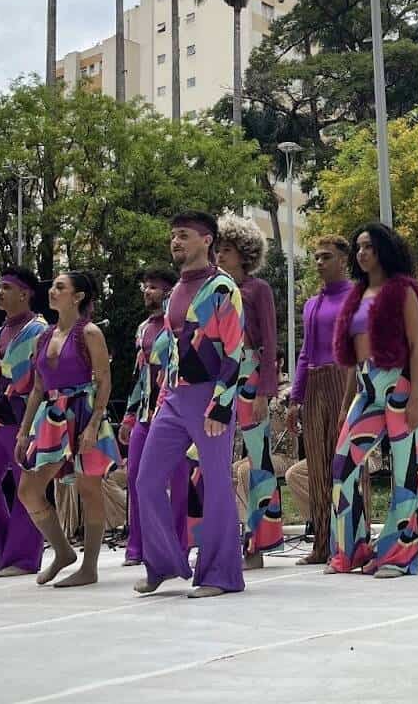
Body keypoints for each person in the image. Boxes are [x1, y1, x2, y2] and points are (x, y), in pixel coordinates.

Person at [133, 211, 246, 598]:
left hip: (209, 397)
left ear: (206, 240)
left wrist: (221, 405)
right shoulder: (173, 294)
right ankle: (164, 562)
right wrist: (162, 397)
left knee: (215, 484)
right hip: (174, 398)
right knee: (146, 480)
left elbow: (234, 350)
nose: (175, 242)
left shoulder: (222, 287)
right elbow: (170, 352)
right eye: (173, 236)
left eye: (183, 235)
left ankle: (220, 574)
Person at [330, 222, 418, 578]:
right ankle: (353, 549)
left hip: (399, 384)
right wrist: (346, 402)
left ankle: (398, 555)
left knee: (405, 473)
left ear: (384, 250)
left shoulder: (403, 290)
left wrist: (416, 398)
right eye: (358, 247)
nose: (362, 253)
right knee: (342, 467)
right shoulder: (356, 294)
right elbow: (348, 355)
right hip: (364, 386)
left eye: (369, 247)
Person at [15, 271, 121, 587]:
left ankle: (89, 566)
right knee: (28, 490)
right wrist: (24, 431)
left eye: (60, 287)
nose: (52, 291)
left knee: (89, 490)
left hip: (84, 411)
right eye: (54, 286)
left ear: (78, 296)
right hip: (50, 416)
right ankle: (63, 551)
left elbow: (104, 381)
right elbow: (36, 387)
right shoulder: (42, 336)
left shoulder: (89, 333)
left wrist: (93, 426)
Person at [213, 214, 282, 569]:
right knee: (209, 459)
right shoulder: (213, 290)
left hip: (252, 377)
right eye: (217, 249)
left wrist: (264, 392)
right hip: (220, 380)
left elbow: (270, 343)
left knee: (258, 462)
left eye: (226, 250)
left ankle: (257, 545)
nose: (219, 256)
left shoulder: (259, 290)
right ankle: (215, 540)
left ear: (244, 253)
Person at [284, 235, 355, 566]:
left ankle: (352, 542)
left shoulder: (356, 296)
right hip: (314, 381)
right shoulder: (311, 304)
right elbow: (304, 352)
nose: (318, 262)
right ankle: (321, 544)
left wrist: (354, 397)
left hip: (345, 378)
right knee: (316, 466)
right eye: (315, 257)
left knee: (348, 462)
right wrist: (295, 398)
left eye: (326, 256)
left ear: (343, 260)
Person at [0, 267, 47, 577]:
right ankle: (2, 550)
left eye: (5, 287)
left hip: (24, 421)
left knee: (26, 487)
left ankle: (24, 557)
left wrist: (36, 425)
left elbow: (44, 381)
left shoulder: (39, 330)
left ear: (24, 293)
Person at [118, 266, 189, 568]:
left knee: (179, 480)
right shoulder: (143, 328)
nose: (148, 291)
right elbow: (141, 376)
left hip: (174, 410)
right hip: (146, 411)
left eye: (155, 287)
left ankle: (178, 543)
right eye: (146, 286)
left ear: (170, 292)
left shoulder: (179, 324)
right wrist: (130, 415)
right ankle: (138, 545)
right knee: (136, 476)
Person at [232, 359, 297, 536]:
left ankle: (256, 529)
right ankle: (244, 522)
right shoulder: (258, 389)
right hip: (264, 451)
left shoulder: (288, 391)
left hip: (284, 455)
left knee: (247, 470)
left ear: (281, 362)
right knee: (235, 469)